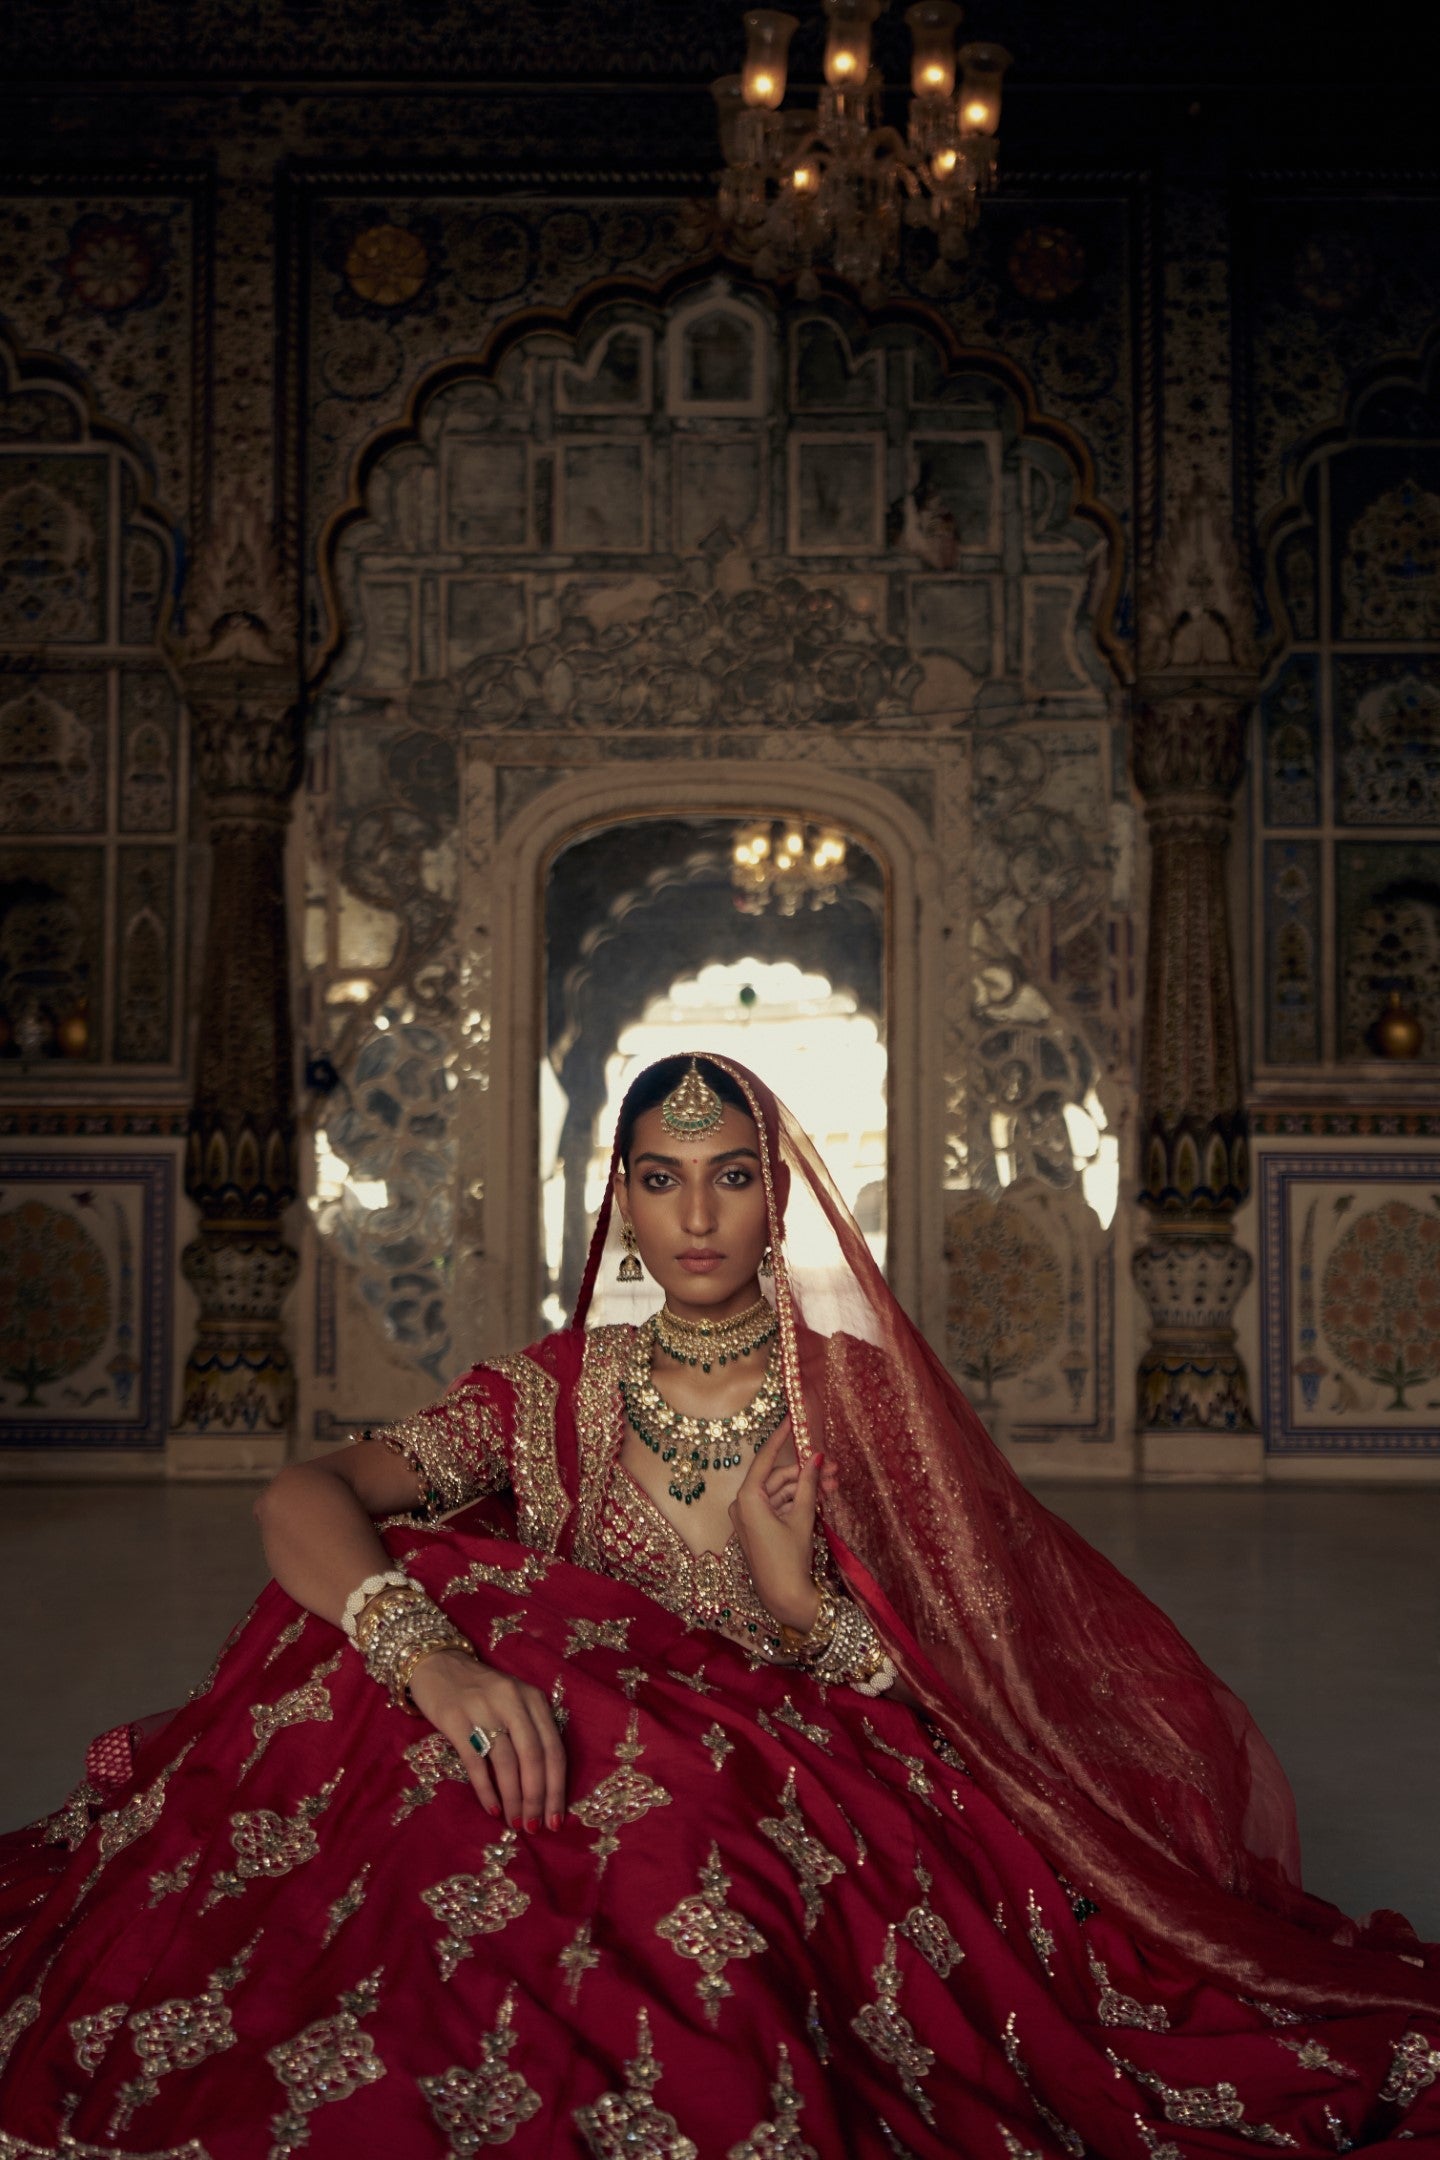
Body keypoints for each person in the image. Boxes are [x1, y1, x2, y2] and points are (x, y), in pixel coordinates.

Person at [0, 1051, 1436, 2159]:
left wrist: (792, 1599)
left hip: (785, 1775)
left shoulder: (859, 1408)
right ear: (618, 1194)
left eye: (732, 1174)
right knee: (419, 1660)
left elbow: (968, 1687)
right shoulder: (551, 1393)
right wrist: (433, 1665)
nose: (698, 1213)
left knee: (678, 1852)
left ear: (781, 1193)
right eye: (663, 1175)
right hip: (546, 1741)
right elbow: (297, 1499)